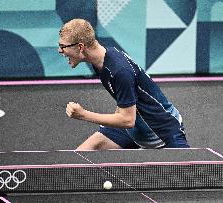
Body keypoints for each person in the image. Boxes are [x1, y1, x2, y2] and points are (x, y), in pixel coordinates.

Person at [58, 19, 189, 150]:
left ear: (81, 47)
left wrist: (83, 114)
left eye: (63, 46)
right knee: (83, 152)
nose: (60, 50)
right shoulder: (101, 61)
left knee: (186, 170)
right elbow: (125, 98)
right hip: (134, 129)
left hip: (163, 133)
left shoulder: (119, 70)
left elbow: (127, 120)